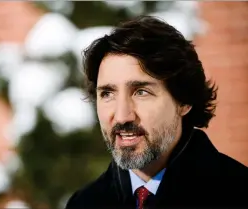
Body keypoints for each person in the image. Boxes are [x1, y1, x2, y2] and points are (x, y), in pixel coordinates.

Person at [65, 15, 248, 209]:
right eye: (108, 94)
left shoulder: (239, 194)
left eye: (141, 92)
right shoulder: (84, 203)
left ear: (184, 101)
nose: (121, 116)